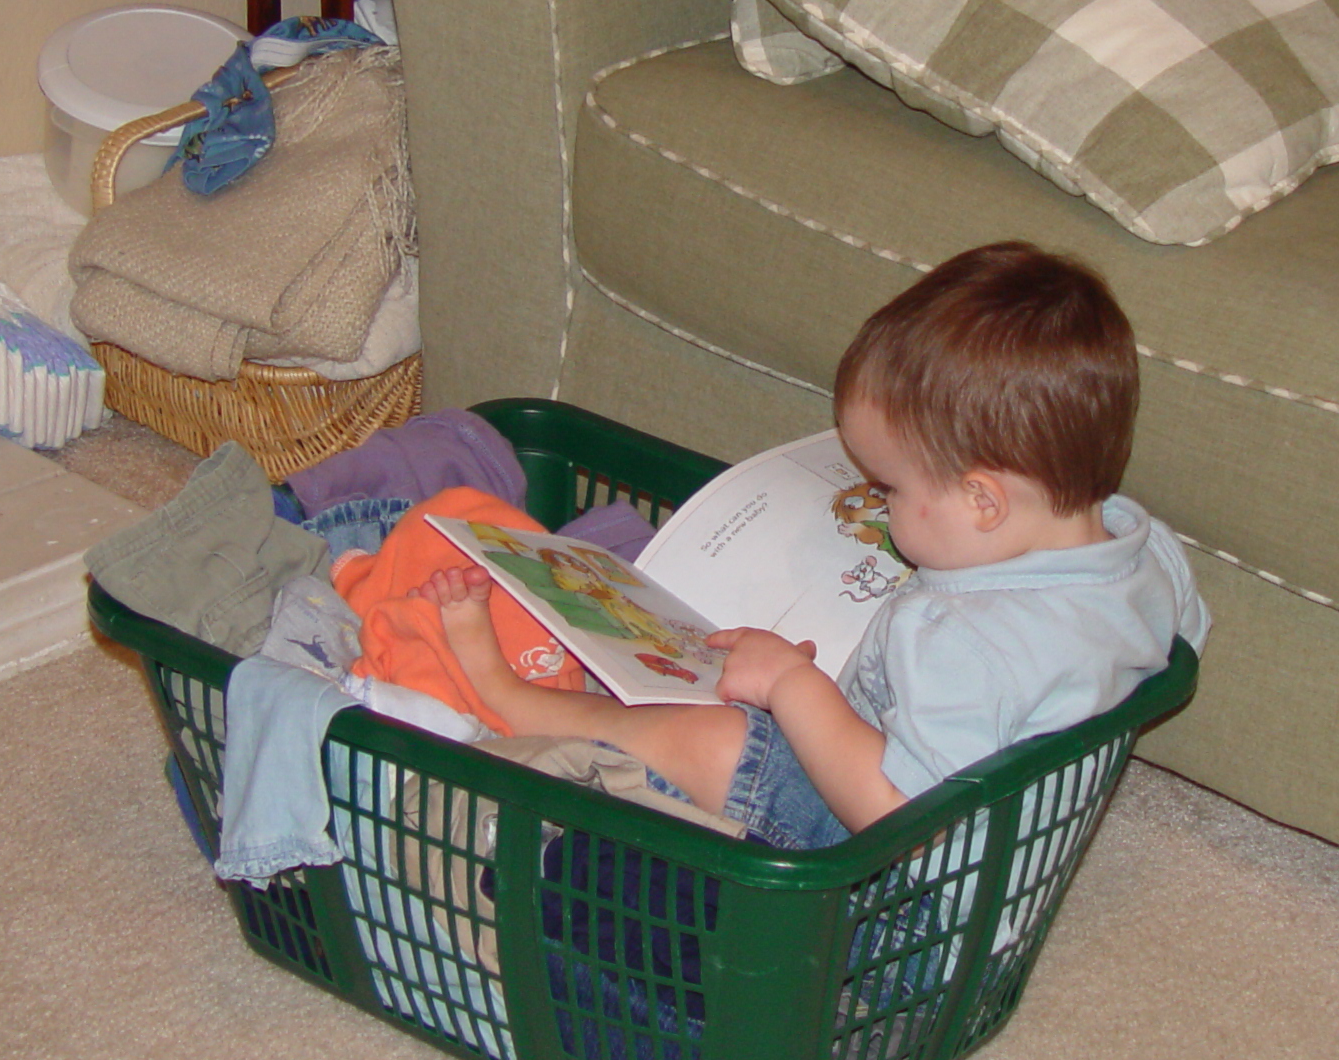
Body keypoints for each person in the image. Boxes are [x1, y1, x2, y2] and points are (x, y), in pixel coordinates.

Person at [415, 241, 1210, 848]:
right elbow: (1179, 640)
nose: (879, 501)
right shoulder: (1144, 550)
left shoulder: (962, 645)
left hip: (901, 897)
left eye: (891, 489)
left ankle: (514, 703)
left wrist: (795, 686)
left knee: (715, 739)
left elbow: (899, 816)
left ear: (982, 500)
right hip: (989, 842)